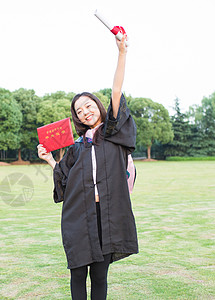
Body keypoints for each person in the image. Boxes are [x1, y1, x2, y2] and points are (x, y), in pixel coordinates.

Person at [37, 34, 138, 300]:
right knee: (78, 273)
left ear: (97, 106)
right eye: (79, 111)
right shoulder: (77, 146)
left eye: (88, 106)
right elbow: (64, 177)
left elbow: (116, 91)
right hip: (78, 216)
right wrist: (49, 160)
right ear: (77, 118)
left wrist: (122, 53)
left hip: (106, 214)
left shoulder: (112, 134)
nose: (84, 112)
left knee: (100, 276)